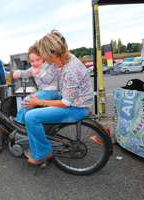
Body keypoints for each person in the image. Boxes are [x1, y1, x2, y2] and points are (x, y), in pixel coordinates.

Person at [22, 30, 93, 165]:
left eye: (42, 53)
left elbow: (66, 102)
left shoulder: (71, 70)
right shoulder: (65, 59)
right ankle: (41, 140)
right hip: (75, 102)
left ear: (51, 54)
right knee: (35, 111)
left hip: (76, 108)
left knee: (31, 117)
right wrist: (39, 91)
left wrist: (39, 101)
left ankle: (43, 152)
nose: (41, 56)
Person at [11, 43, 59, 126]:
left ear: (43, 58)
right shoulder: (34, 68)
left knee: (27, 101)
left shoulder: (48, 66)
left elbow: (49, 80)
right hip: (44, 91)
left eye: (38, 60)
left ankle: (20, 122)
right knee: (29, 101)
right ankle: (28, 121)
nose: (35, 63)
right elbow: (26, 73)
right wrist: (17, 72)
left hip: (50, 91)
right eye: (32, 61)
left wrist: (40, 72)